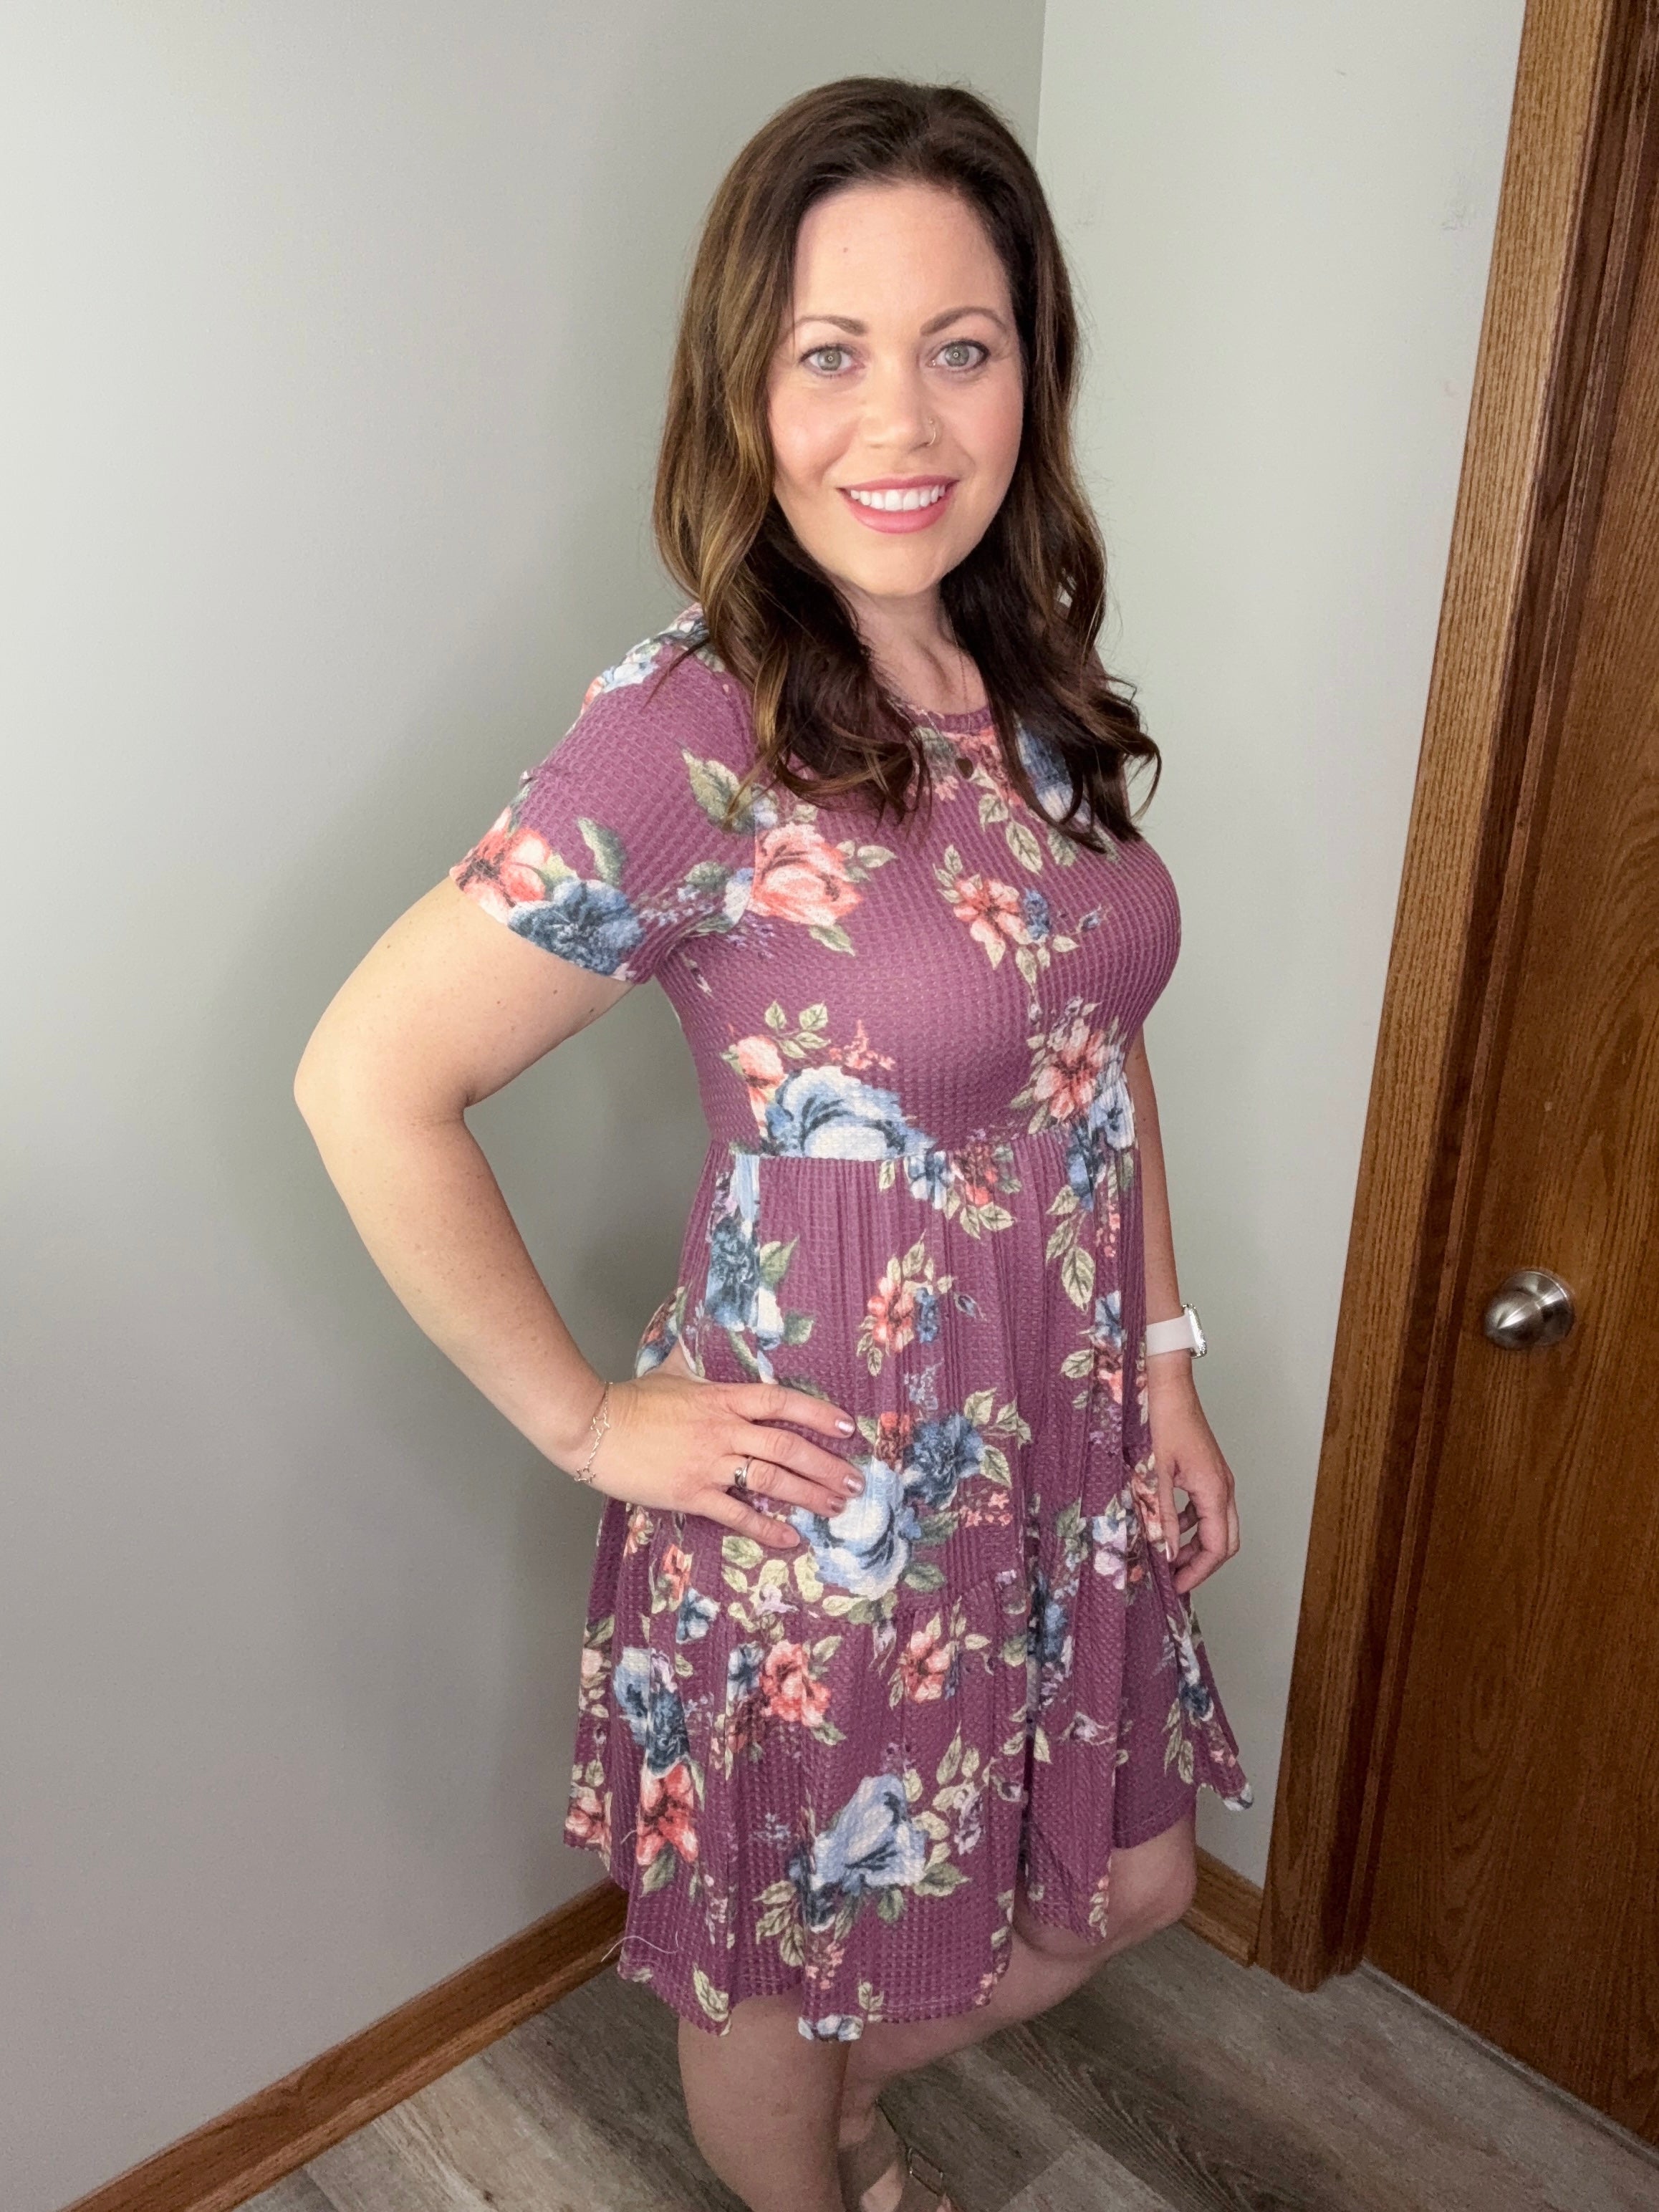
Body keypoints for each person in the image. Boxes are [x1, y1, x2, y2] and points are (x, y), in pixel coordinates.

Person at [295, 74, 1251, 2212]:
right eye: (830, 352)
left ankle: (836, 2122)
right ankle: (818, 2158)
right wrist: (582, 1418)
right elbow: (367, 1080)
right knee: (776, 1988)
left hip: (1057, 1442)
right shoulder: (695, 728)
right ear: (744, 386)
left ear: (1032, 371)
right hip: (831, 1496)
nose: (898, 421)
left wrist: (1167, 1358)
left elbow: (1088, 1041)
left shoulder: (1018, 661)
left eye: (959, 347)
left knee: (1132, 1886)